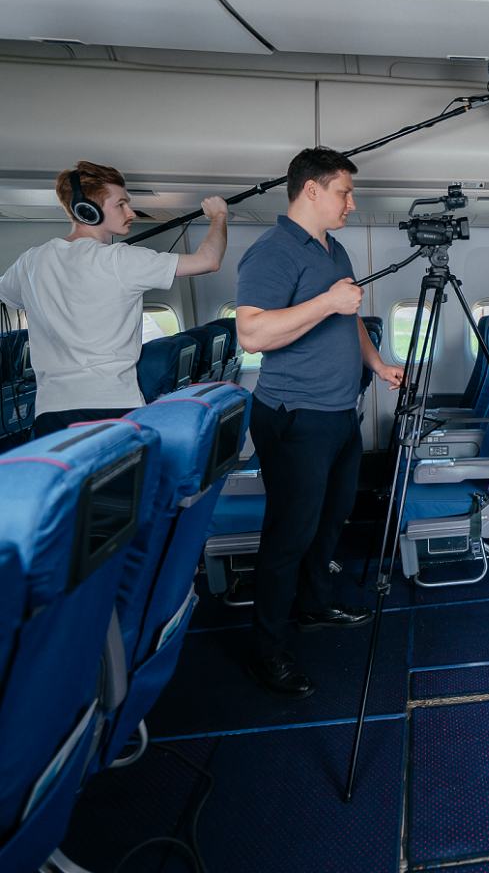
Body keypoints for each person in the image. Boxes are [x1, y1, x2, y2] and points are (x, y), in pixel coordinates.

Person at [235, 146, 404, 700]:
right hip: (295, 417)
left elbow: (348, 317)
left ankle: (312, 605)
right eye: (344, 192)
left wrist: (376, 363)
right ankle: (266, 652)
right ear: (311, 190)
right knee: (289, 536)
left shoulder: (335, 248)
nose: (351, 203)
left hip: (338, 413)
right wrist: (328, 302)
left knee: (331, 519)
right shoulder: (272, 252)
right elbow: (252, 334)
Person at [0, 160, 227, 437]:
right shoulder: (120, 259)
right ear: (87, 210)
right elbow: (208, 260)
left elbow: (8, 295)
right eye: (120, 204)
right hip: (112, 406)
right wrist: (219, 215)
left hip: (51, 412)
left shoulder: (31, 261)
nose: (130, 212)